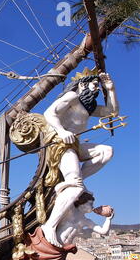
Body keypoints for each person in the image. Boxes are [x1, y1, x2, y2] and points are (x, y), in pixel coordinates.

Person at [41, 70, 119, 248]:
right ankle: (50, 226)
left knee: (106, 151)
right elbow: (48, 113)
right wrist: (61, 131)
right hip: (59, 143)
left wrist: (111, 89)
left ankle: (76, 181)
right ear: (82, 84)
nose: (97, 88)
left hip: (74, 145)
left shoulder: (87, 106)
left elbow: (111, 111)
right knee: (75, 187)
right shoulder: (71, 96)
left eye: (98, 86)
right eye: (94, 84)